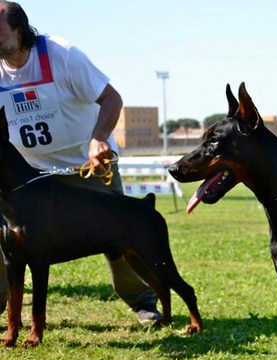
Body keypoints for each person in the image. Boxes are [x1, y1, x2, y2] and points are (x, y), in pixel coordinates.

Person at [0, 1, 162, 324]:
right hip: (29, 175)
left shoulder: (61, 54)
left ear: (18, 32)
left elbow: (111, 98)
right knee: (4, 234)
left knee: (119, 231)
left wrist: (99, 138)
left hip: (85, 166)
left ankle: (143, 300)